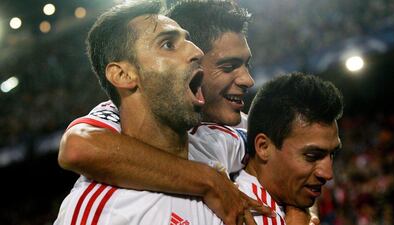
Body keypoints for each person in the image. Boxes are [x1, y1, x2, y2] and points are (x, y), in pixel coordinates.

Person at [58, 1, 272, 224]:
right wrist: (209, 180)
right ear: (122, 75)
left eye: (188, 41)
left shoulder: (218, 139)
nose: (196, 52)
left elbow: (282, 154)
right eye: (169, 45)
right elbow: (79, 146)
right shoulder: (106, 210)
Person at [233, 72, 344, 224]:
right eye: (312, 156)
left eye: (332, 154)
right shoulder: (237, 214)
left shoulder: (286, 196)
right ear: (263, 147)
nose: (328, 174)